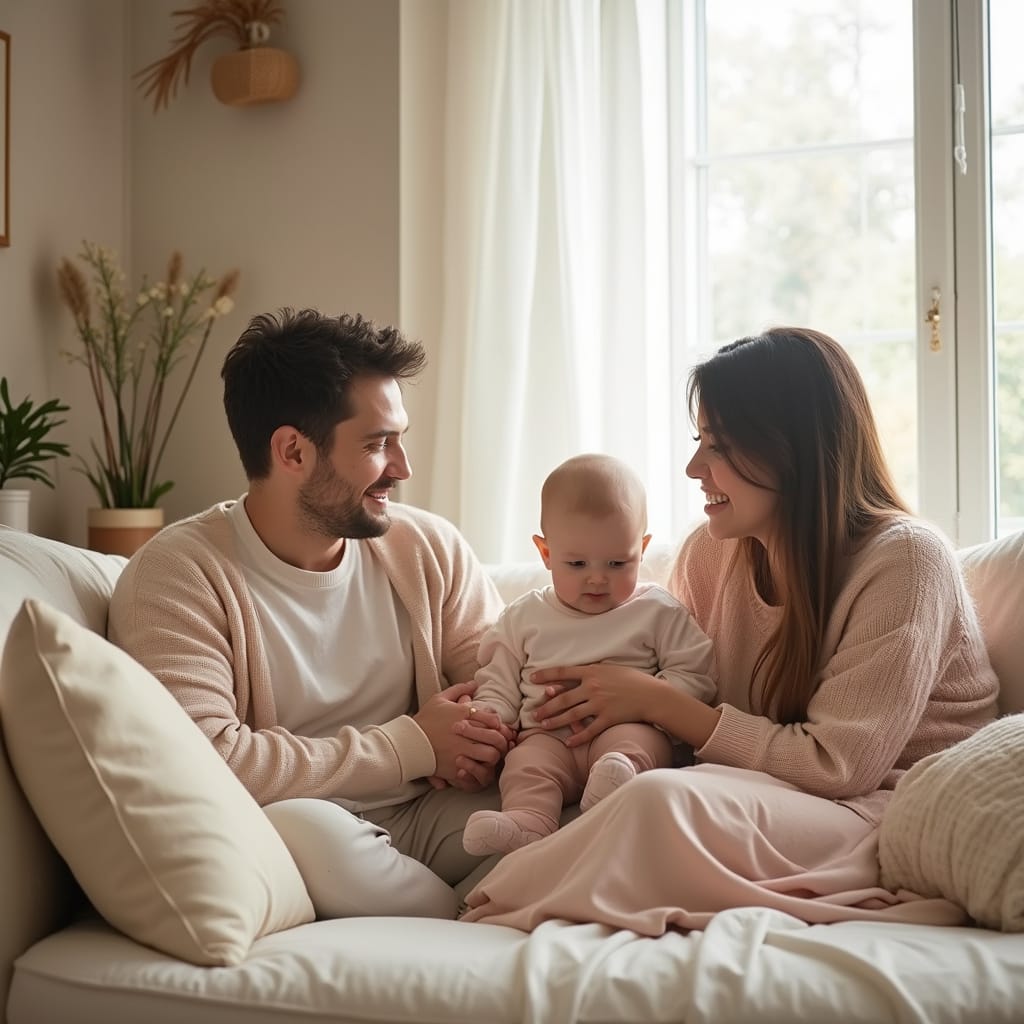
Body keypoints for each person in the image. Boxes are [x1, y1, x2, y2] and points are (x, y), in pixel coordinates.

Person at [461, 326, 999, 933]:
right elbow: (677, 712)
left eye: (716, 446)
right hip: (755, 791)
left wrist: (654, 701)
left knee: (656, 800)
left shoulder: (906, 561)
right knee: (582, 788)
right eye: (699, 442)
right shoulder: (712, 551)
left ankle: (490, 907)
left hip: (873, 810)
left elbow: (840, 767)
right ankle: (494, 890)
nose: (694, 468)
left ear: (788, 450)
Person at [108, 308, 512, 921]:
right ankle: (476, 915)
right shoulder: (177, 575)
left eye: (398, 439)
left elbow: (500, 680)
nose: (402, 468)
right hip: (314, 836)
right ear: (293, 450)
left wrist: (482, 734)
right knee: (306, 829)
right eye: (377, 444)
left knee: (570, 803)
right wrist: (412, 745)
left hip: (435, 812)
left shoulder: (428, 547)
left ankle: (471, 905)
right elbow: (207, 761)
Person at [461, 453, 715, 856]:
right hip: (547, 737)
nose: (597, 578)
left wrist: (649, 701)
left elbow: (696, 673)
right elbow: (498, 681)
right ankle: (527, 822)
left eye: (617, 563)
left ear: (642, 549)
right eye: (577, 563)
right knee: (525, 767)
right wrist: (491, 716)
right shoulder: (523, 617)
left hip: (626, 729)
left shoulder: (657, 611)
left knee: (633, 747)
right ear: (546, 553)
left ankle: (615, 787)